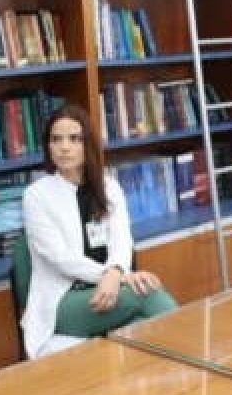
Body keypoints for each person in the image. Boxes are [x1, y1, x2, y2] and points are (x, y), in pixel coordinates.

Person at [21, 105, 176, 358]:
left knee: (147, 321)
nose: (64, 147)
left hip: (110, 286)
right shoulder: (36, 195)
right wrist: (113, 277)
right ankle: (199, 364)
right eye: (56, 139)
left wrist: (115, 273)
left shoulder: (109, 187)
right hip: (64, 299)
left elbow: (122, 241)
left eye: (74, 139)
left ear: (88, 144)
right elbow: (60, 258)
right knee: (148, 297)